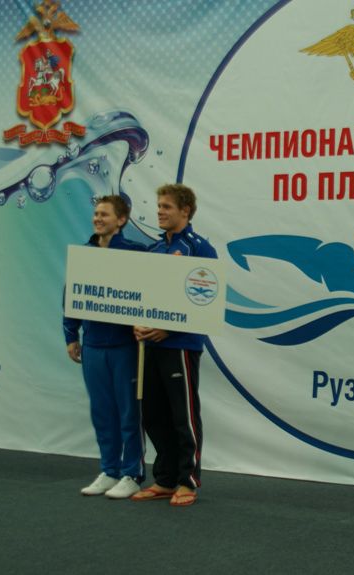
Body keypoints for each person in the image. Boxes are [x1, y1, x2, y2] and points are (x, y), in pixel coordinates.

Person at [130, 183, 217, 507]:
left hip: (181, 345)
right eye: (159, 207)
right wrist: (136, 322)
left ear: (185, 210)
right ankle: (165, 479)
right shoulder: (154, 250)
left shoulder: (199, 248)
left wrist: (168, 328)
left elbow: (206, 300)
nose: (160, 212)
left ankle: (187, 481)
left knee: (184, 415)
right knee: (152, 414)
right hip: (150, 345)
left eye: (166, 207)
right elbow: (143, 295)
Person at [64, 195, 146, 499]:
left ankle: (132, 473)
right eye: (96, 214)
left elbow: (153, 291)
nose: (98, 218)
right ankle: (109, 470)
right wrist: (71, 335)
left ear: (121, 220)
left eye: (105, 214)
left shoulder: (137, 253)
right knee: (102, 412)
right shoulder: (84, 254)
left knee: (129, 413)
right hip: (94, 346)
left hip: (126, 346)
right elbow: (72, 295)